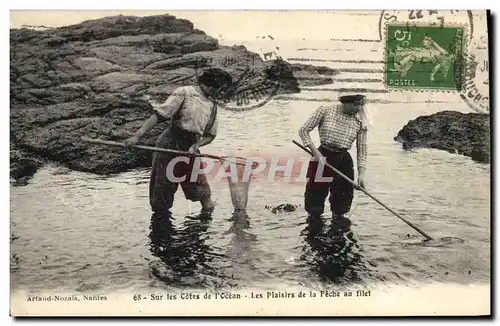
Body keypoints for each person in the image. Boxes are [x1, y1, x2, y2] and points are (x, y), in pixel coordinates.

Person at [124, 68, 232, 215]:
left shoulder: (212, 106)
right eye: (220, 89)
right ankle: (162, 233)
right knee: (162, 194)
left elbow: (211, 135)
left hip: (191, 150)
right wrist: (137, 136)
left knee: (203, 194)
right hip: (170, 144)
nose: (221, 93)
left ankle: (203, 232)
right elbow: (160, 115)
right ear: (211, 85)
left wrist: (196, 145)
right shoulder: (184, 92)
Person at [298, 94, 368, 218]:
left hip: (343, 161)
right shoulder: (325, 110)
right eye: (356, 104)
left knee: (342, 203)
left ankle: (338, 231)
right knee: (315, 201)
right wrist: (316, 153)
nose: (359, 108)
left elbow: (361, 148)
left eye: (362, 104)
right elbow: (303, 130)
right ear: (345, 102)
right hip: (322, 156)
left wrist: (361, 174)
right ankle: (313, 231)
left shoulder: (361, 120)